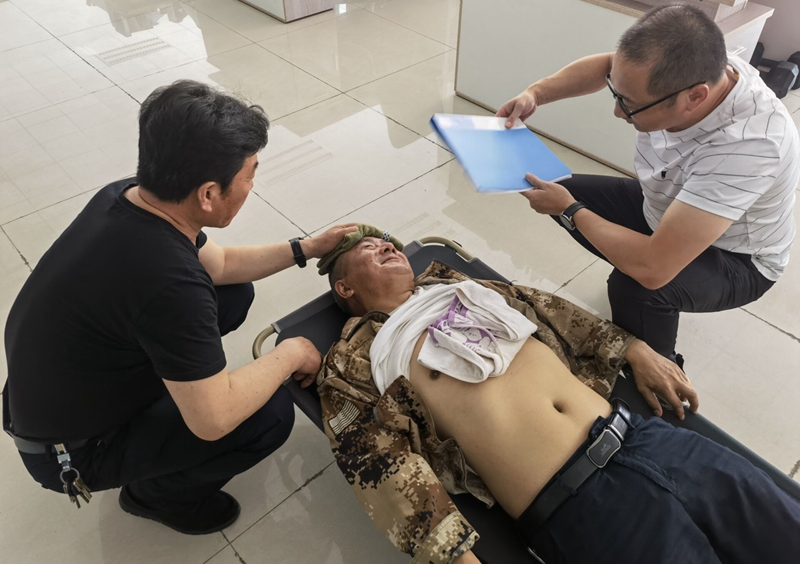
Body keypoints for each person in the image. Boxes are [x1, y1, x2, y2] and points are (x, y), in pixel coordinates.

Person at [315, 229, 800, 564]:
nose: (387, 245)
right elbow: (375, 462)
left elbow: (552, 310)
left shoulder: (460, 285)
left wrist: (632, 349)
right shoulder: (355, 358)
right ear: (345, 286)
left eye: (388, 240)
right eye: (369, 249)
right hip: (579, 504)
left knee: (784, 530)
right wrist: (450, 552)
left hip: (645, 437)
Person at [3, 80, 353, 534]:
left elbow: (220, 264)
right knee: (268, 416)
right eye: (250, 174)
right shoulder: (169, 284)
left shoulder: (130, 195)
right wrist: (292, 352)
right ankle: (154, 496)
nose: (252, 185)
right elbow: (213, 420)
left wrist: (306, 247)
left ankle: (172, 399)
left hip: (64, 384)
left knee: (234, 294)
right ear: (208, 194)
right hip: (71, 450)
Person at [497, 4, 800, 364]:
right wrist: (535, 94)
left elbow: (654, 269)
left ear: (695, 97)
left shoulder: (749, 147)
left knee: (637, 287)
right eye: (617, 94)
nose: (617, 112)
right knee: (557, 188)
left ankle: (661, 367)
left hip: (738, 258)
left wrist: (570, 210)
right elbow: (607, 65)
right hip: (667, 204)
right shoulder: (695, 69)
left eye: (629, 104)